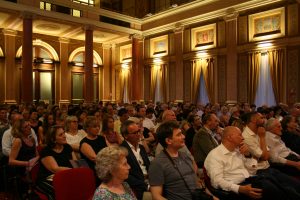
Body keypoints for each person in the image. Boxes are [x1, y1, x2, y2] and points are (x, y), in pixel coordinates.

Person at [205, 126, 300, 200]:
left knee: (283, 186)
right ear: (230, 137)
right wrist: (240, 189)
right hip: (236, 188)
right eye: (239, 135)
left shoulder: (237, 151)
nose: (242, 138)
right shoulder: (215, 155)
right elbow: (216, 182)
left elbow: (252, 169)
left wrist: (248, 155)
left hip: (250, 179)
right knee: (274, 190)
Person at [149, 121, 215, 200]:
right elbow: (156, 196)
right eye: (179, 135)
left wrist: (212, 197)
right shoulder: (157, 164)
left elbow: (197, 182)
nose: (183, 136)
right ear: (168, 141)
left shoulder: (185, 156)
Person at [37, 125, 77, 200]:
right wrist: (73, 171)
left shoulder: (67, 147)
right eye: (60, 135)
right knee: (61, 190)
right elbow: (55, 169)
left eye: (64, 133)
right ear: (53, 139)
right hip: (47, 179)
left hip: (66, 176)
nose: (64, 136)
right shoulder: (46, 151)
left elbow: (75, 163)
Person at [120, 120, 150, 200]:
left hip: (150, 181)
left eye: (139, 131)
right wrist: (145, 185)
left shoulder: (142, 148)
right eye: (134, 133)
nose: (139, 134)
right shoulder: (121, 150)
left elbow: (149, 166)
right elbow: (125, 176)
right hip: (137, 188)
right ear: (125, 135)